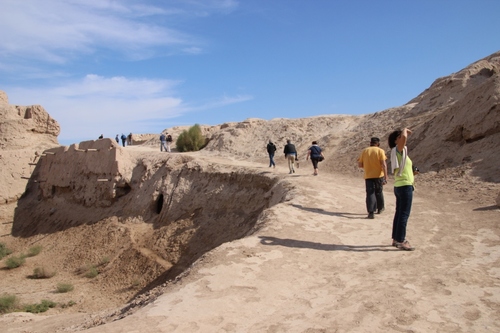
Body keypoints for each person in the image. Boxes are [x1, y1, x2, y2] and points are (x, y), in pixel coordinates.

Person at [388, 128, 415, 251]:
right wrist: (404, 130)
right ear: (395, 141)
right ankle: (401, 240)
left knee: (399, 214)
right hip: (404, 186)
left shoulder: (399, 152)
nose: (403, 138)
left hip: (401, 185)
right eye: (399, 137)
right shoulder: (398, 150)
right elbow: (404, 138)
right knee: (403, 214)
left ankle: (396, 238)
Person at [357, 137, 388, 219]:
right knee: (379, 191)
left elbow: (360, 165)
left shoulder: (365, 151)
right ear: (378, 143)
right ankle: (380, 208)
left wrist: (367, 166)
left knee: (370, 193)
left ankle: (371, 212)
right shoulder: (380, 151)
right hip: (378, 175)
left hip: (368, 175)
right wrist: (386, 176)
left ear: (370, 143)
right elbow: (384, 165)